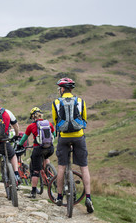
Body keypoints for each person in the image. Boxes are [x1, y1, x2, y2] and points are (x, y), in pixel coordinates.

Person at [52, 77, 94, 213]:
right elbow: (85, 118)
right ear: (72, 89)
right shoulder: (80, 101)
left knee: (61, 167)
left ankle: (59, 197)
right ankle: (88, 198)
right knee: (84, 167)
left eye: (60, 88)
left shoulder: (56, 102)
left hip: (63, 138)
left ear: (63, 89)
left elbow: (55, 121)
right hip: (78, 136)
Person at [16, 107, 55, 198]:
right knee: (46, 157)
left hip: (38, 149)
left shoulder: (31, 126)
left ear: (33, 117)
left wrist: (19, 145)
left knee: (35, 171)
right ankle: (48, 172)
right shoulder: (48, 123)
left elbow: (24, 138)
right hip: (50, 148)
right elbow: (53, 135)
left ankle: (33, 192)